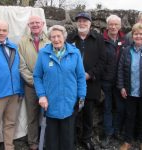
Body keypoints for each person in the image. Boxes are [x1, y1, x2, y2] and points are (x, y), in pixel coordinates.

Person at [33, 25, 86, 150]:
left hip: (69, 103)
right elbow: (37, 76)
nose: (56, 39)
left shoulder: (75, 53)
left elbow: (80, 77)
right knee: (51, 141)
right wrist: (41, 95)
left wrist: (81, 97)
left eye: (59, 36)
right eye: (53, 37)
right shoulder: (43, 53)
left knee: (67, 140)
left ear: (64, 37)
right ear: (49, 38)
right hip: (49, 103)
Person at [67, 12, 106, 150]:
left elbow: (103, 61)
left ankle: (86, 138)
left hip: (90, 83)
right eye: (79, 21)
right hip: (72, 83)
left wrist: (89, 74)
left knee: (88, 113)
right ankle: (72, 139)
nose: (82, 23)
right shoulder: (70, 38)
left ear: (90, 23)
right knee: (73, 112)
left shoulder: (99, 39)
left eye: (85, 21)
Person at [18, 15, 49, 150]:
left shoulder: (50, 40)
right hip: (30, 86)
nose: (35, 25)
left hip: (48, 85)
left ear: (42, 24)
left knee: (48, 114)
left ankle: (47, 141)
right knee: (32, 115)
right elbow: (21, 66)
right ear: (28, 25)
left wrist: (44, 82)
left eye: (37, 22)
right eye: (32, 23)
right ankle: (33, 143)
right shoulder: (22, 42)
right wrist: (35, 81)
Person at [0, 20, 22, 150]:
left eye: (4, 30)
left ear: (8, 32)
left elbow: (18, 69)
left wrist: (20, 90)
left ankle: (9, 147)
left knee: (10, 123)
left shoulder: (13, 46)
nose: (1, 33)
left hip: (14, 94)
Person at [101, 14, 127, 148]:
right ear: (107, 26)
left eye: (116, 24)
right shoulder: (102, 40)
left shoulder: (125, 40)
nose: (113, 27)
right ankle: (108, 133)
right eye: (111, 24)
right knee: (107, 108)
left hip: (120, 81)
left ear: (120, 26)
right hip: (106, 81)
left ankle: (117, 131)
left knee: (121, 108)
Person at [117, 22, 142, 150]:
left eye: (141, 34)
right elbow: (120, 69)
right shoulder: (126, 51)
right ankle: (128, 141)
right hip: (130, 90)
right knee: (129, 116)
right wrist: (121, 87)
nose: (138, 36)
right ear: (132, 36)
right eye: (136, 34)